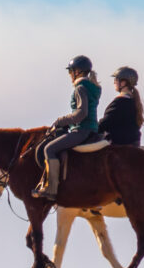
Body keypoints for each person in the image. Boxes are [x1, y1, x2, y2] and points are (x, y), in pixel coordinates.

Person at [35, 55, 101, 198]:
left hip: (81, 130)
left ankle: (51, 190)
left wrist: (60, 121)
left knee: (49, 149)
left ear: (77, 71)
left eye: (70, 71)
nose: (70, 74)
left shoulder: (80, 88)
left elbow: (81, 113)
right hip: (91, 129)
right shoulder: (92, 88)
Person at [100, 66, 144, 147]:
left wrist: (91, 127)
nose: (114, 82)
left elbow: (105, 123)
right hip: (134, 144)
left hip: (117, 144)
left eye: (115, 80)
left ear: (123, 83)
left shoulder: (120, 102)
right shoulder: (134, 102)